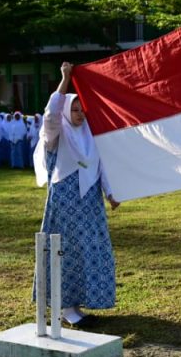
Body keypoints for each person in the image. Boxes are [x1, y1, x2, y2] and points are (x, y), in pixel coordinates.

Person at [34, 62, 120, 327]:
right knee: (66, 251)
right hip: (66, 201)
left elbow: (100, 165)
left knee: (90, 250)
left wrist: (110, 193)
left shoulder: (90, 135)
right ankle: (64, 307)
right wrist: (65, 80)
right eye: (74, 108)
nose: (79, 114)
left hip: (90, 203)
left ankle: (78, 304)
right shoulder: (56, 134)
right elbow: (51, 114)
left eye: (81, 109)